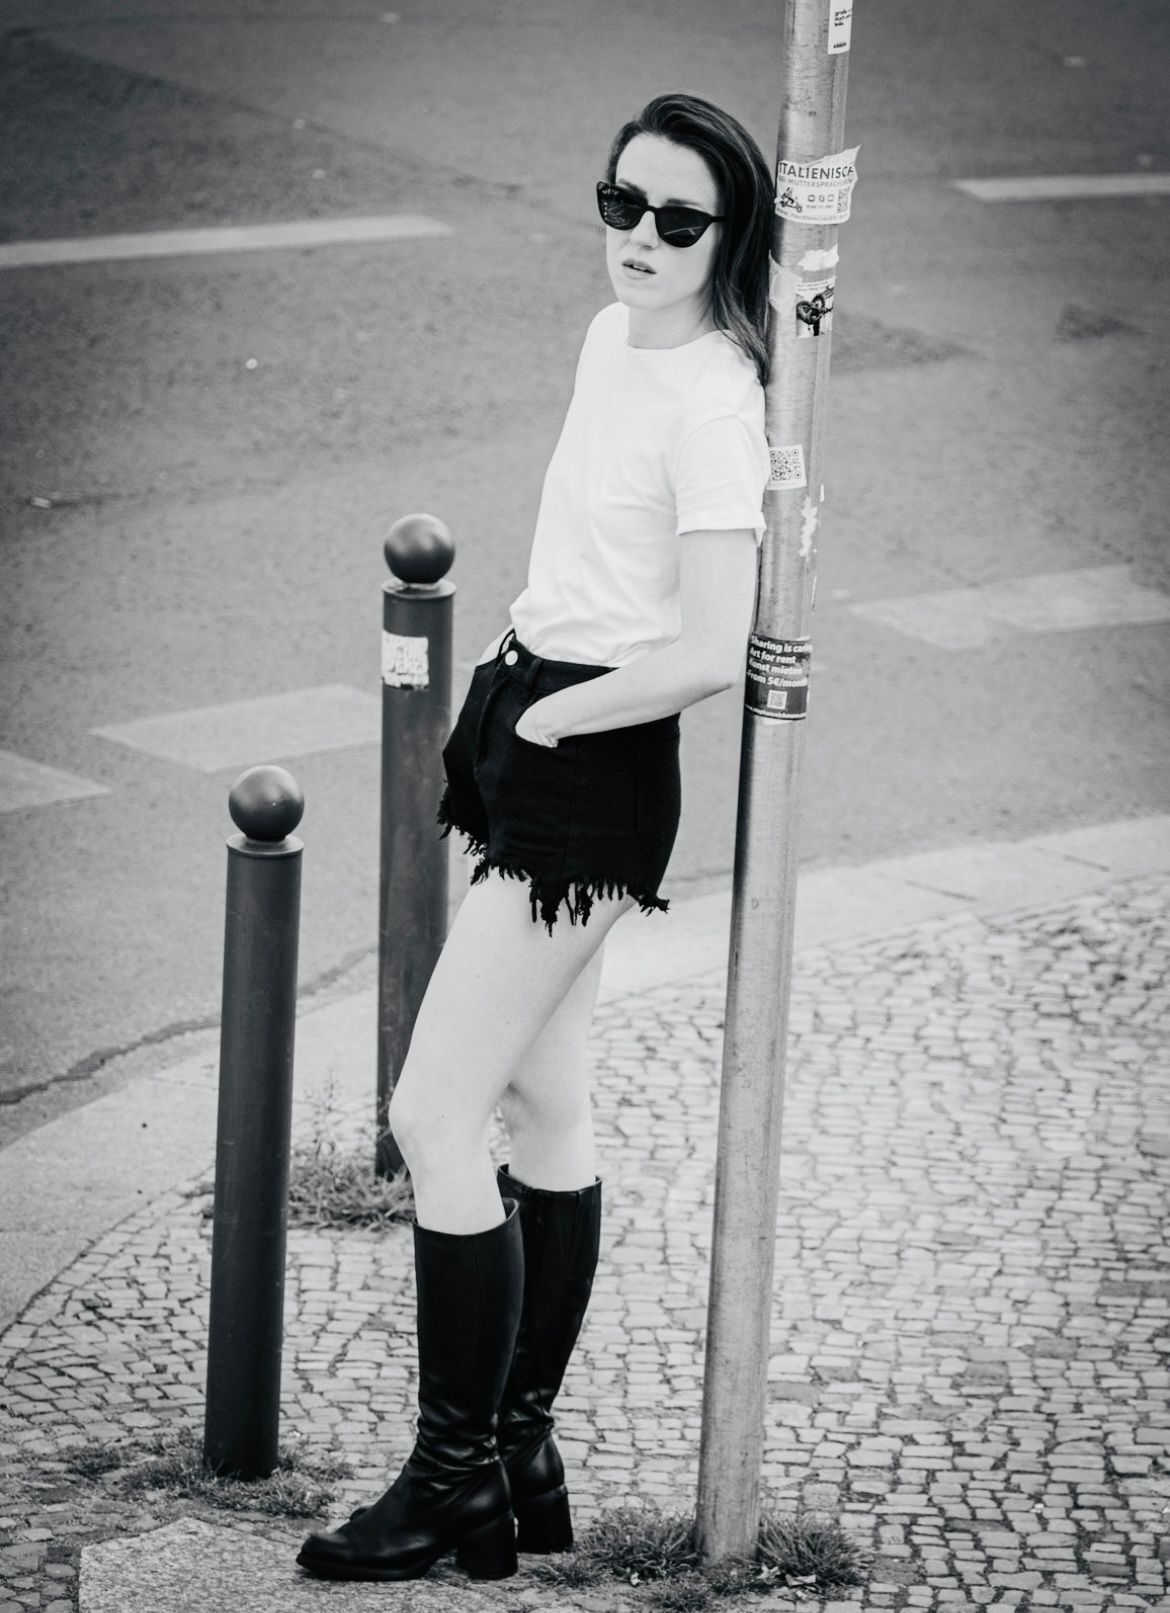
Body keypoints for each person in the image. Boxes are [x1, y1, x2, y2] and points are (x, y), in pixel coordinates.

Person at [296, 91, 774, 1584]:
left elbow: (712, 645)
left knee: (434, 1114)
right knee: (546, 1103)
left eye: (678, 220)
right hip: (535, 717)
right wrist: (524, 690)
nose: (640, 237)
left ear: (730, 237)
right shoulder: (607, 338)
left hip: (589, 759)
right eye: (621, 202)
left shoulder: (716, 402)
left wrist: (560, 722)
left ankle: (452, 1482)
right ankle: (518, 1451)